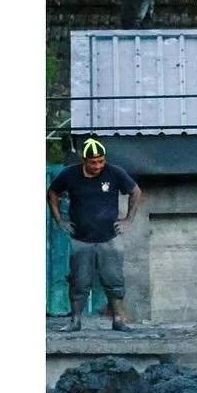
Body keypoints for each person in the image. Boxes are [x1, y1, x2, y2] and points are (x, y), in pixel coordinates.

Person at [46, 137, 143, 332]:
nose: (98, 166)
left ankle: (118, 320)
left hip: (110, 238)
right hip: (81, 239)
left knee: (114, 280)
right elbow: (52, 193)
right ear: (84, 160)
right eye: (93, 162)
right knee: (79, 281)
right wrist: (60, 220)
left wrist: (128, 219)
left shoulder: (115, 172)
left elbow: (136, 191)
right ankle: (75, 321)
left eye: (101, 161)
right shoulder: (70, 175)